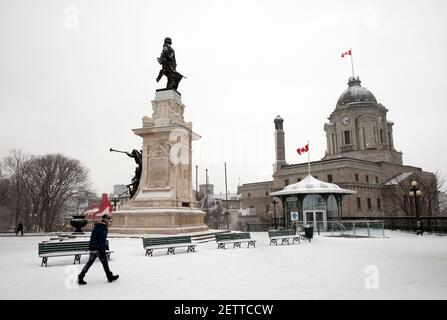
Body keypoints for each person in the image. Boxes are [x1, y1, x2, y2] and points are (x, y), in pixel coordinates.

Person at [77, 214, 119, 285]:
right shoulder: (103, 227)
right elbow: (101, 239)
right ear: (105, 219)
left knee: (90, 263)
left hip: (93, 247)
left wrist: (92, 246)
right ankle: (109, 276)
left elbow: (93, 237)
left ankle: (81, 276)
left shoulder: (97, 226)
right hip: (99, 248)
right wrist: (102, 249)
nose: (109, 221)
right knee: (104, 263)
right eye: (108, 219)